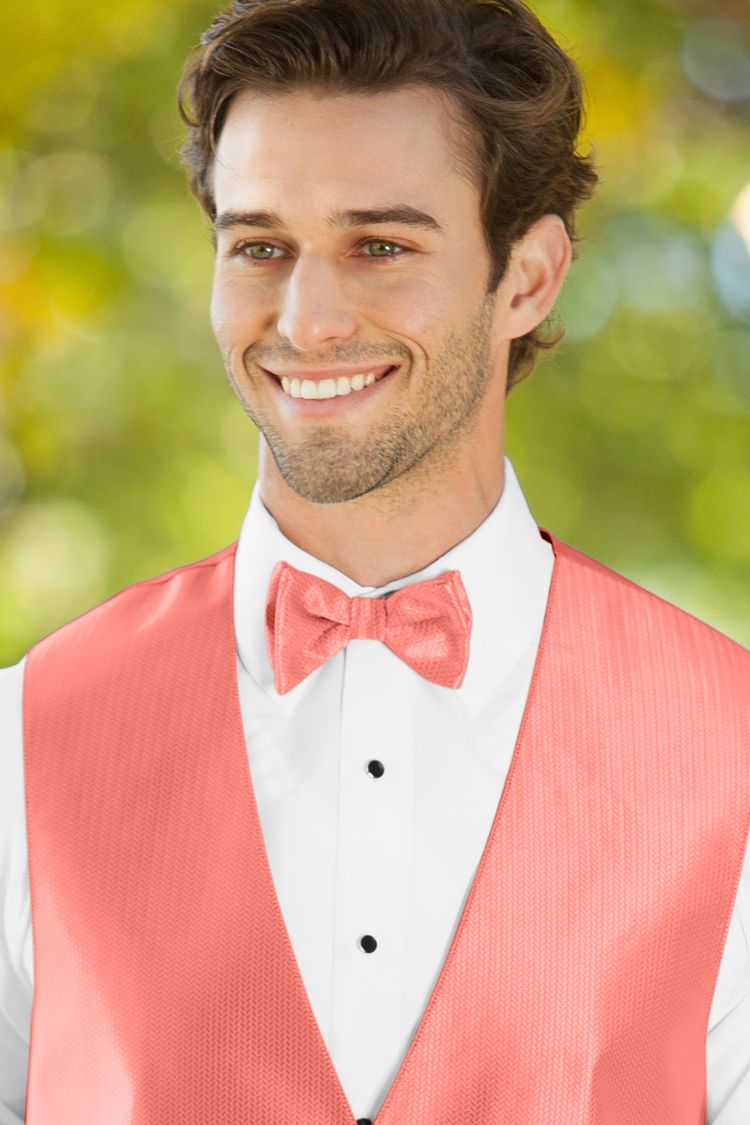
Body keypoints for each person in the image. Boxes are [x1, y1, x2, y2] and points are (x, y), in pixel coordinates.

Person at [1, 0, 748, 1120]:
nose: (307, 319)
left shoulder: (730, 749)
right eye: (260, 246)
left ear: (531, 279)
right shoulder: (24, 741)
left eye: (380, 245)